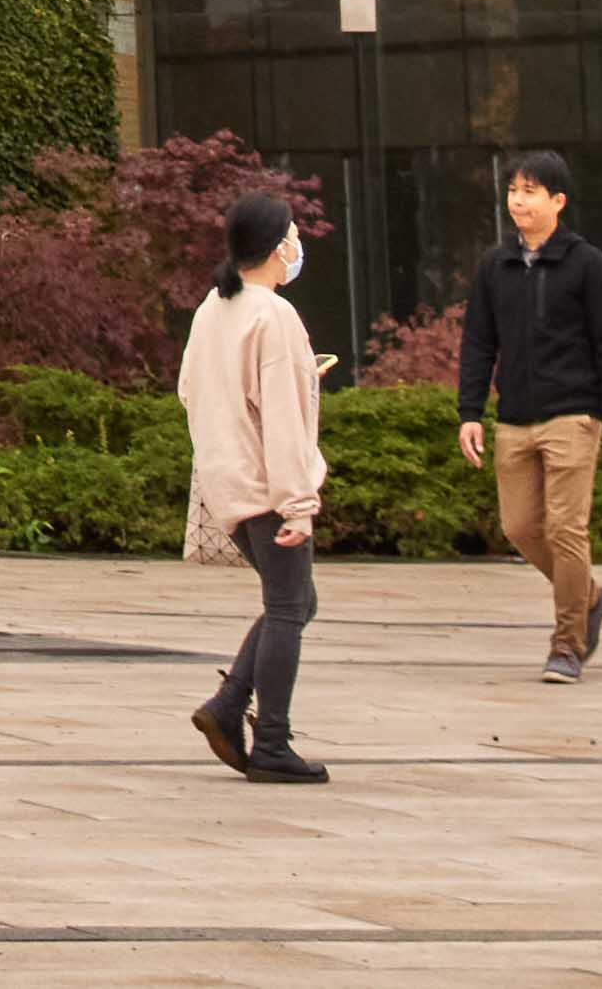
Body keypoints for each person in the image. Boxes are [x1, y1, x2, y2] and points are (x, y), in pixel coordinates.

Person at [454, 147, 602, 682]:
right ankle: (591, 596)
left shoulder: (587, 265)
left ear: (558, 201)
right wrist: (470, 411)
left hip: (574, 417)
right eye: (513, 190)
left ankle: (566, 644)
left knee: (565, 530)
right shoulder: (496, 266)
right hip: (513, 418)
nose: (518, 200)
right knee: (519, 527)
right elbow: (478, 344)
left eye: (530, 191)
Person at [181, 189, 333, 784]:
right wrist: (299, 504)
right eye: (293, 234)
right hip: (268, 487)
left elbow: (191, 391)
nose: (298, 244)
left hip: (227, 483)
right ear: (276, 247)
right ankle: (269, 740)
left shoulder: (212, 308)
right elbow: (285, 419)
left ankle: (226, 706)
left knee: (294, 601)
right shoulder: (275, 315)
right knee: (290, 606)